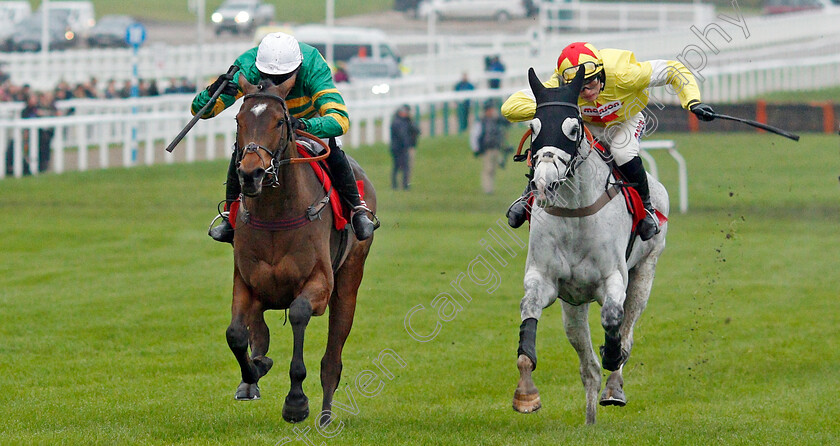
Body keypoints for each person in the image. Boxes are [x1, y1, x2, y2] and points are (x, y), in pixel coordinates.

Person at [501, 41, 715, 240]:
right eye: (579, 87)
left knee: (622, 153)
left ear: (601, 73)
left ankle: (647, 207)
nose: (587, 91)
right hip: (588, 125)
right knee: (555, 142)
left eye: (592, 81)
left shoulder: (625, 74)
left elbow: (673, 70)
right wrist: (559, 104)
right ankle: (528, 196)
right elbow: (509, 108)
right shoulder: (560, 85)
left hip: (626, 120)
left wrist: (693, 102)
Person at [193, 31, 376, 243]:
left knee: (332, 147)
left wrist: (304, 125)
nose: (274, 82)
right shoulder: (247, 66)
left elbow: (339, 120)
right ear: (259, 68)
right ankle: (229, 216)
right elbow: (200, 112)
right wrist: (212, 92)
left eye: (281, 78)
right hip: (265, 127)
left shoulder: (314, 65)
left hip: (305, 124)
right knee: (242, 152)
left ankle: (357, 210)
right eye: (268, 76)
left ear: (297, 68)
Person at [470, 100, 510, 194]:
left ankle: (490, 187)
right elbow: (475, 135)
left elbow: (507, 123)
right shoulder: (481, 121)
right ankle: (488, 189)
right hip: (487, 149)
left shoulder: (496, 119)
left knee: (493, 169)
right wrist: (476, 148)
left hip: (496, 148)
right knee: (488, 169)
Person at [389, 104, 419, 190]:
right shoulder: (397, 122)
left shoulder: (407, 121)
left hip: (403, 148)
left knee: (405, 167)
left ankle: (404, 184)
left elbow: (416, 130)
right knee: (398, 166)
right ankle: (396, 185)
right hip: (398, 148)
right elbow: (401, 135)